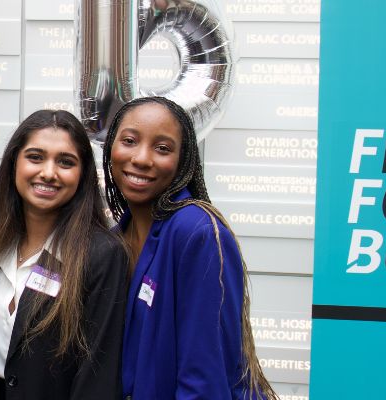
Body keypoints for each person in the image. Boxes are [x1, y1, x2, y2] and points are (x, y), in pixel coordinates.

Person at [102, 97, 277, 399]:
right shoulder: (116, 239)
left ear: (183, 160)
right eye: (129, 141)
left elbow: (204, 375)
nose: (142, 158)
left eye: (162, 148)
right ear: (110, 148)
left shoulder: (196, 231)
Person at [0, 110, 129, 400]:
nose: (48, 172)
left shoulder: (102, 254)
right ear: (14, 163)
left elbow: (98, 376)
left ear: (83, 174)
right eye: (35, 157)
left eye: (65, 162)